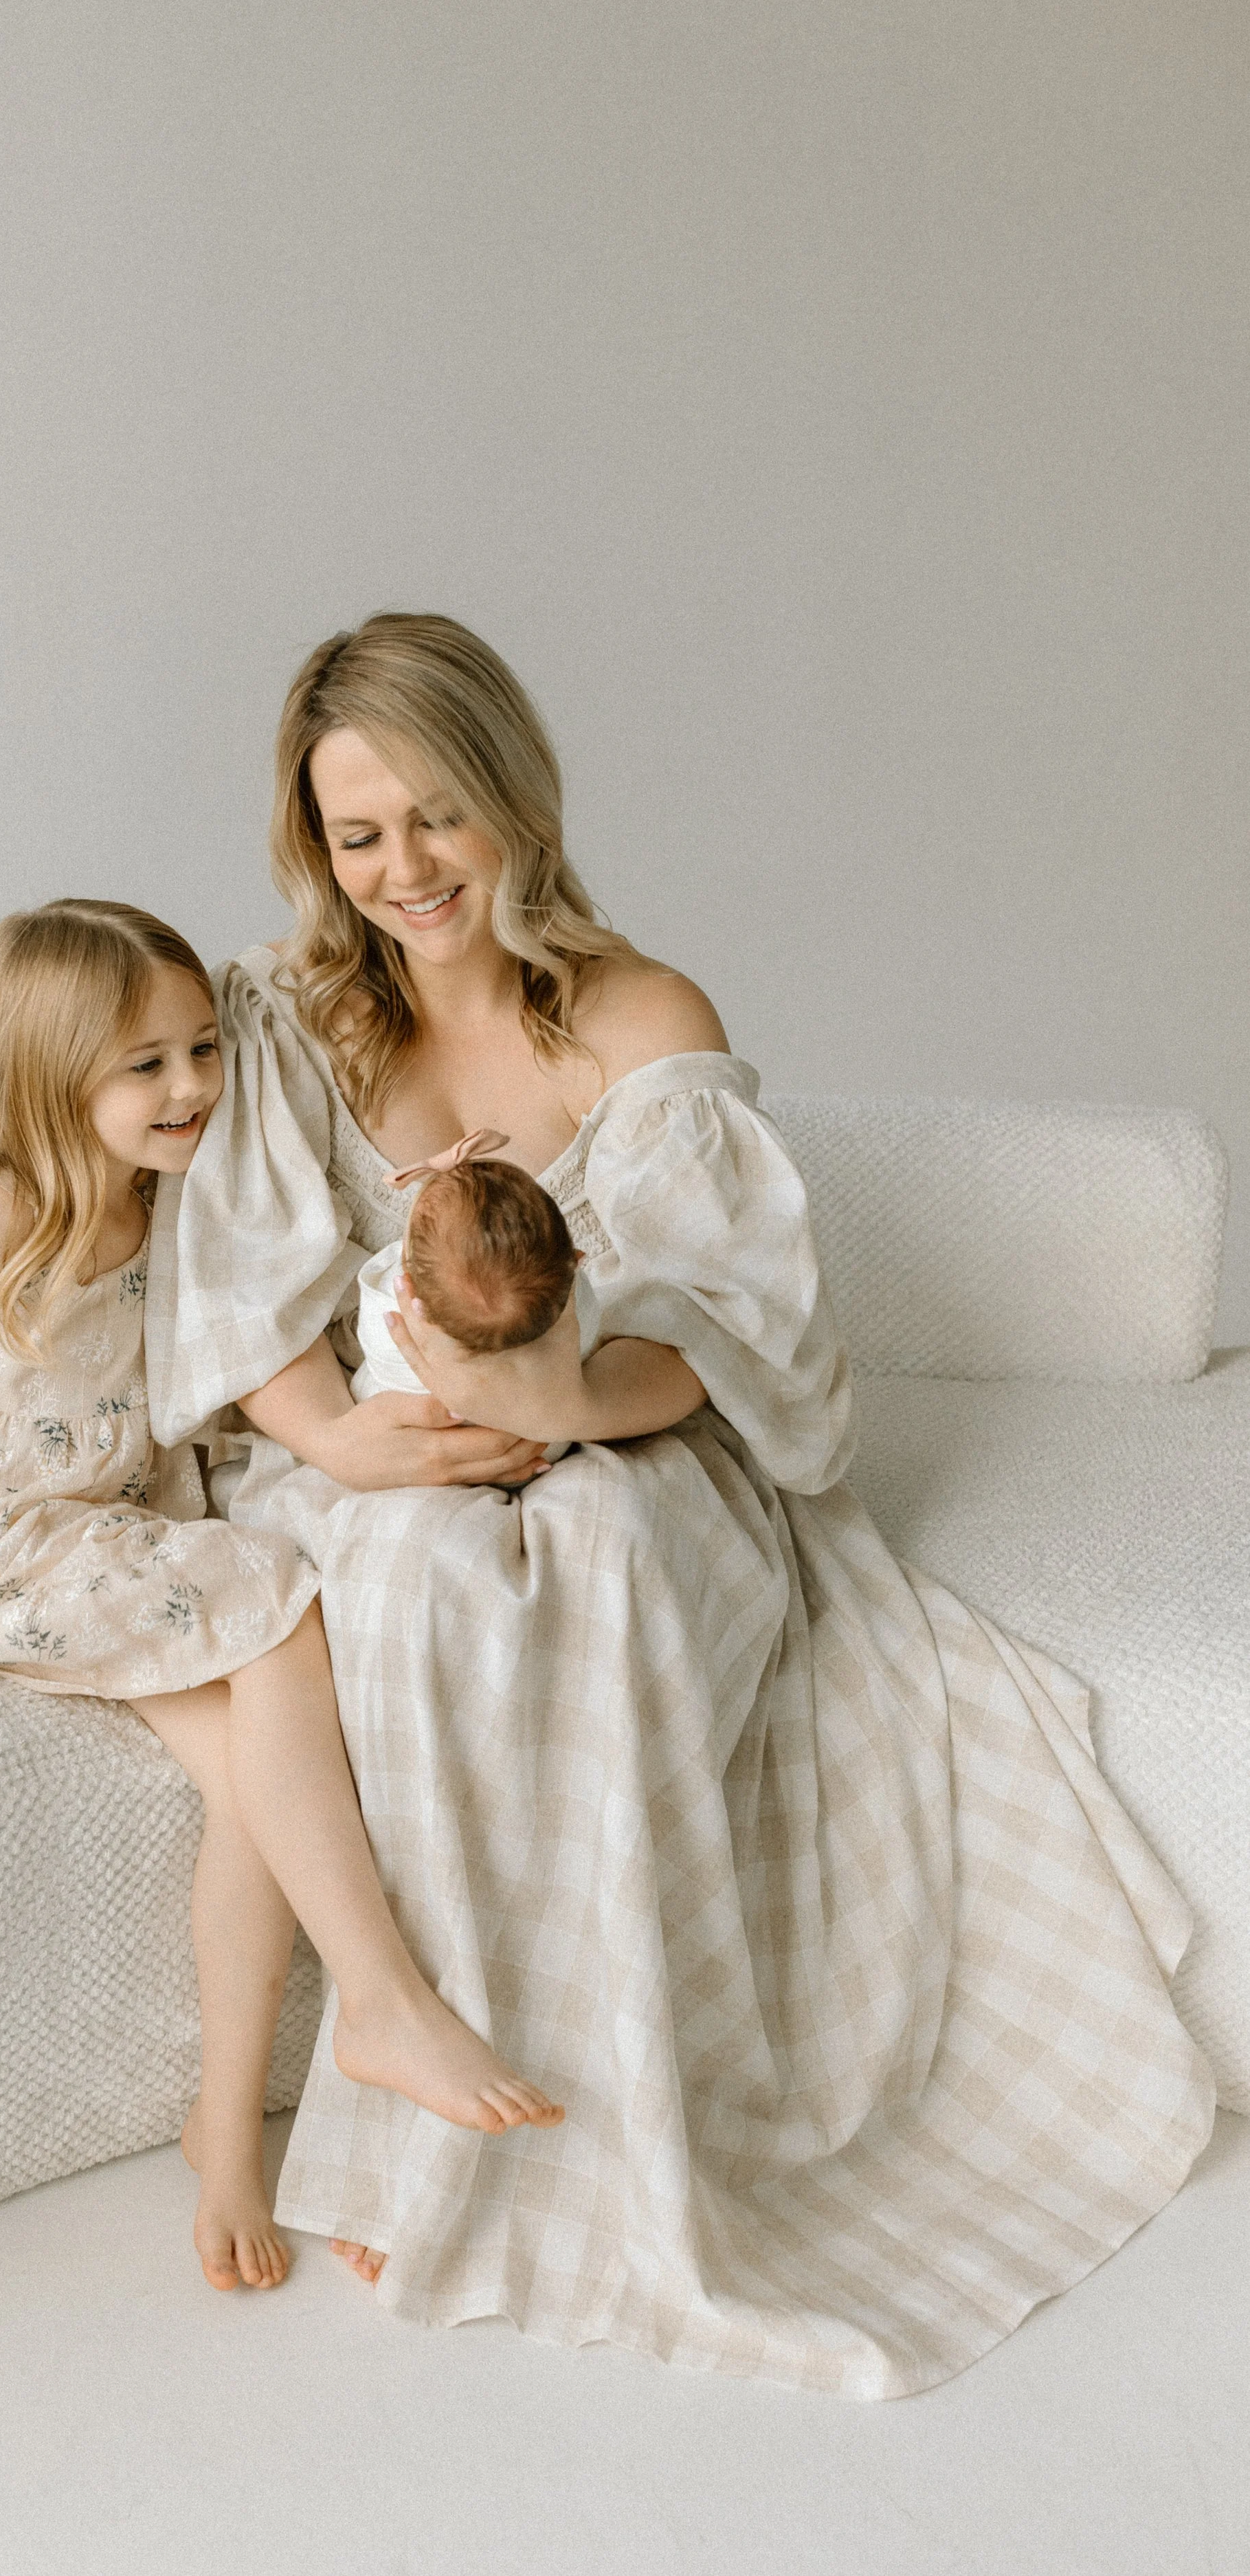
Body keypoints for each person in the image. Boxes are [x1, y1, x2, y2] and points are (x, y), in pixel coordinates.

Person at [146, 615, 1215, 2396]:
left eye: (435, 816)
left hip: (639, 1443)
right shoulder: (287, 1020)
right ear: (311, 848)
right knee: (402, 1577)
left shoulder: (642, 1016)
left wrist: (562, 1399)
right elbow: (237, 1291)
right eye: (357, 835)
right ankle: (435, 2116)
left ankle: (616, 2109)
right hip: (379, 1443)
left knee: (594, 1553)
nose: (403, 869)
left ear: (510, 797)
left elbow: (719, 1335)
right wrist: (340, 1444)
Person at [0, 896, 561, 2298]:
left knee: (263, 1793)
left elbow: (306, 1266)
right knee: (280, 1589)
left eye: (201, 1047)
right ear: (49, 1073)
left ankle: (228, 2129)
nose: (192, 1085)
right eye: (144, 1065)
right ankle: (381, 2001)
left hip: (118, 1529)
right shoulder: (4, 1205)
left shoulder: (183, 1193)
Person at [349, 1131, 599, 1467]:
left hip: (410, 1441)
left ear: (406, 1279)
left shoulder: (390, 1307)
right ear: (574, 1258)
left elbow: (371, 1339)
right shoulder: (569, 1302)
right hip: (538, 1444)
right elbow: (592, 1334)